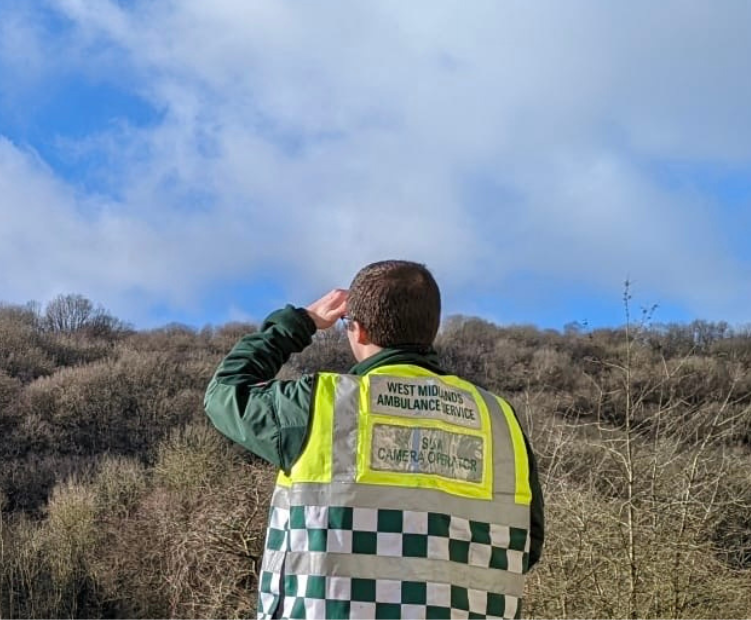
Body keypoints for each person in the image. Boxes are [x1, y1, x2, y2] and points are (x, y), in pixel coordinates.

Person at [205, 260, 544, 619]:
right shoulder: (499, 419)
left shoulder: (318, 404)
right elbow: (526, 544)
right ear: (432, 329)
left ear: (359, 330)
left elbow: (226, 391)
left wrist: (300, 322)